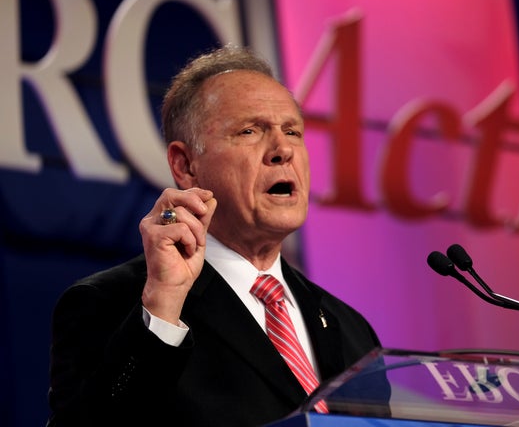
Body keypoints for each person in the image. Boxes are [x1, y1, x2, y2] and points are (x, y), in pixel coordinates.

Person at [47, 45, 384, 427]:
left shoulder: (353, 331)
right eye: (250, 131)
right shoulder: (113, 303)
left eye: (293, 131)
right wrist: (163, 305)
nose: (283, 151)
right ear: (185, 165)